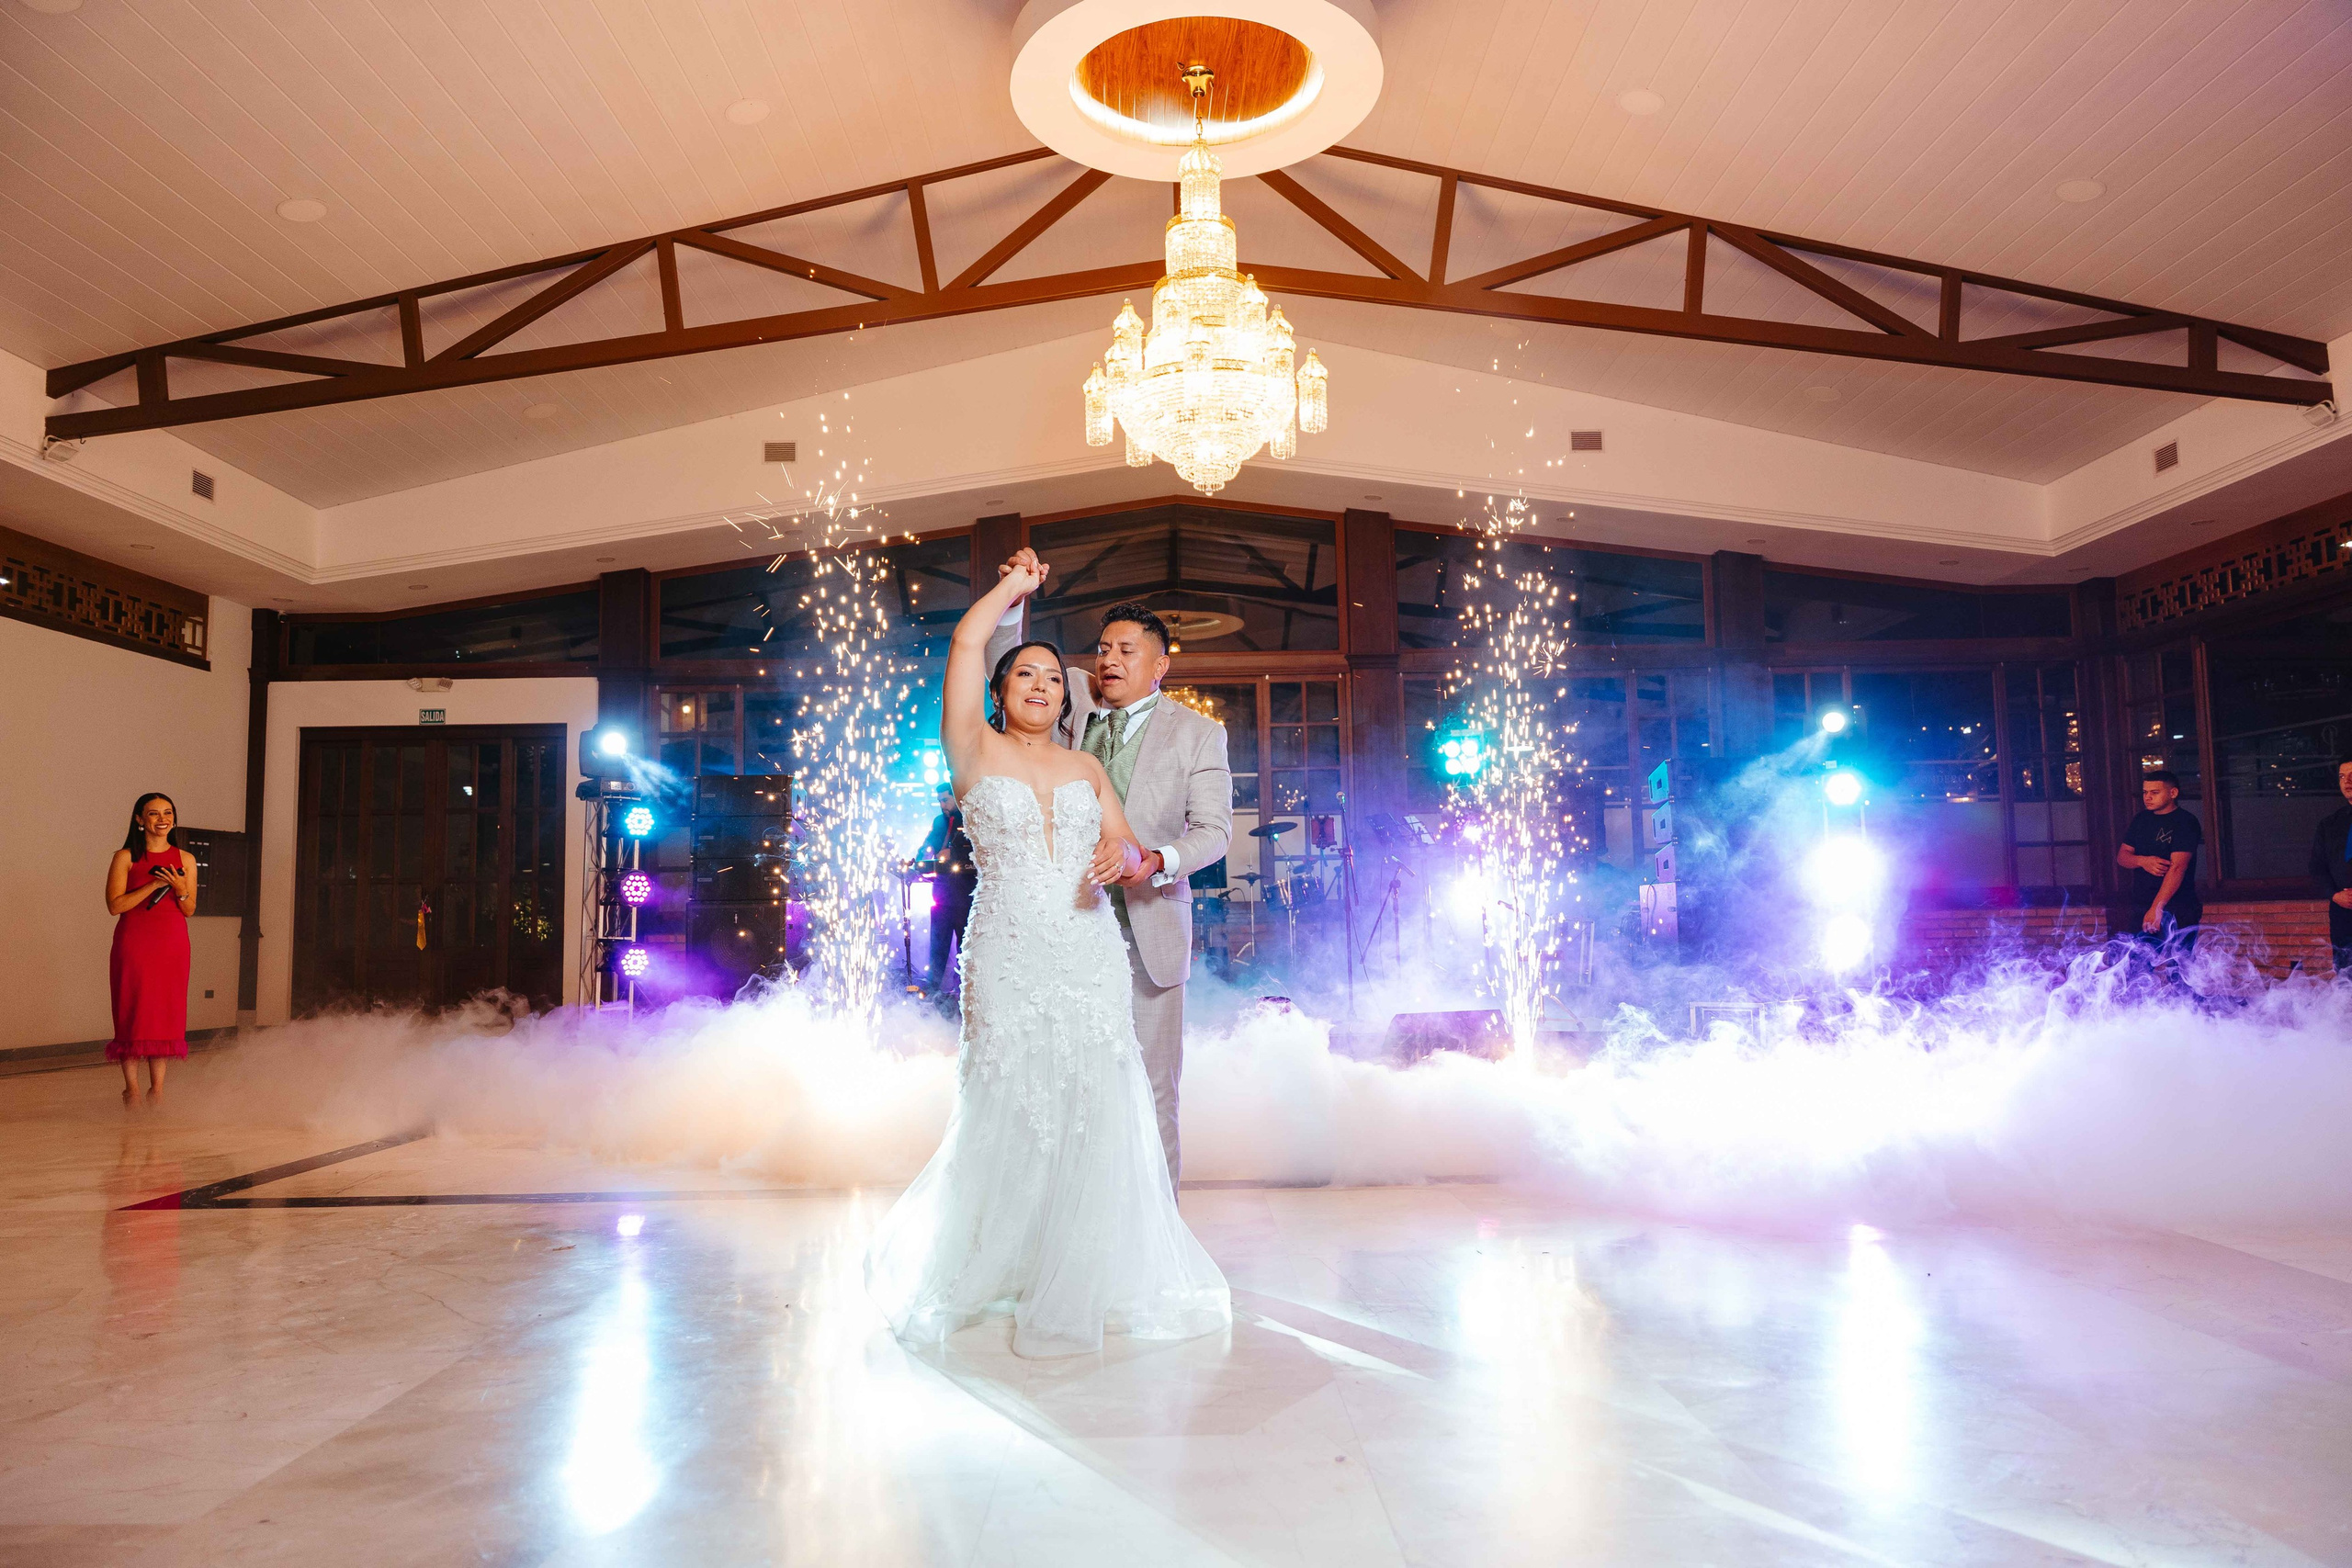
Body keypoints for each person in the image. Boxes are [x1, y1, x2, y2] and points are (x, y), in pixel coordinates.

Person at [864, 555, 1228, 1358]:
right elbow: (966, 641)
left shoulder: (1085, 764)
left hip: (1089, 946)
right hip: (1008, 944)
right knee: (1009, 1092)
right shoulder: (973, 749)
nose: (1042, 686)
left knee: (1099, 1096)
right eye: (1025, 674)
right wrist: (1014, 592)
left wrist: (1120, 858)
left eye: (1052, 680)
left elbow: (1126, 843)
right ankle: (1004, 1255)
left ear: (1068, 699)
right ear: (999, 691)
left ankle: (1094, 1258)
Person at [984, 548, 1233, 1194]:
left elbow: (1214, 832)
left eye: (1126, 649)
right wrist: (1015, 595)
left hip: (1150, 930)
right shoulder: (1071, 697)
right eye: (1103, 648)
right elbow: (1004, 665)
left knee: (1151, 1088)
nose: (1109, 660)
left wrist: (1154, 861)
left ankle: (1158, 1238)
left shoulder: (1199, 735)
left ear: (1160, 665)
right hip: (1064, 926)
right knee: (1067, 1084)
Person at [104, 792, 196, 1105]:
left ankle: (157, 1089)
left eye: (167, 812)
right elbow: (115, 906)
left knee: (164, 1013)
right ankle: (131, 1088)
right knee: (133, 1009)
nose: (162, 819)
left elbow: (190, 909)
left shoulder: (185, 859)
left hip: (172, 944)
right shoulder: (125, 857)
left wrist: (181, 890)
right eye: (154, 813)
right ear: (139, 819)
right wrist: (152, 886)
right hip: (135, 943)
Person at [2116, 770, 2203, 969]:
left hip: (2178, 907)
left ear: (2173, 793)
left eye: (2154, 792)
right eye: (2145, 792)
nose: (2147, 797)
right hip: (2141, 905)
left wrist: (2157, 908)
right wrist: (2143, 861)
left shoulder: (2185, 821)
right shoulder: (2141, 820)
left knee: (2179, 967)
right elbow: (2122, 857)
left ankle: (2184, 1000)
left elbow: (2178, 868)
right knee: (2137, 966)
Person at [913, 784, 977, 993]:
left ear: (956, 797)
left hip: (965, 897)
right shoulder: (939, 821)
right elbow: (928, 844)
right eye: (939, 801)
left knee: (964, 948)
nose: (942, 805)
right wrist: (919, 859)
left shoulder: (972, 819)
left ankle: (963, 993)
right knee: (937, 947)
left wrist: (955, 856)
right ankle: (932, 992)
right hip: (941, 896)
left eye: (945, 800)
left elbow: (981, 854)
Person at [2308, 754, 2352, 977]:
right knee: (2345, 976)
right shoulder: (2330, 824)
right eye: (2342, 776)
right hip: (2343, 912)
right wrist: (2334, 895)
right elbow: (2317, 867)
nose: (2347, 781)